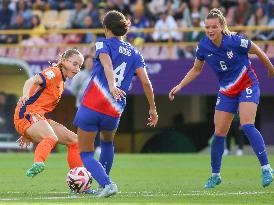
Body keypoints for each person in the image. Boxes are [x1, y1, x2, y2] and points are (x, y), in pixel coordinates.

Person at [169, 8, 274, 189]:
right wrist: (180, 85)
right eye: (207, 27)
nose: (210, 30)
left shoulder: (235, 40)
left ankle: (266, 169)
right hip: (226, 91)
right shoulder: (203, 46)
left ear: (222, 26)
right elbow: (196, 69)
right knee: (219, 133)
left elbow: (257, 50)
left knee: (247, 125)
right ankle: (215, 175)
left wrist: (270, 68)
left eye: (214, 27)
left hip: (247, 85)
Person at [74, 10, 158, 197]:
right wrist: (152, 108)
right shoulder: (136, 53)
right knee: (107, 143)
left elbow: (107, 65)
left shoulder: (102, 43)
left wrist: (111, 85)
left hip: (93, 104)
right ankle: (104, 186)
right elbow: (146, 82)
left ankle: (107, 183)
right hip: (115, 108)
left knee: (86, 153)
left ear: (106, 28)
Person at [14, 49, 84, 178]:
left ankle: (80, 182)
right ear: (64, 61)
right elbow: (31, 81)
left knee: (75, 140)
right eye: (74, 64)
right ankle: (38, 162)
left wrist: (28, 132)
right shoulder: (54, 72)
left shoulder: (62, 82)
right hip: (27, 113)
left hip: (36, 116)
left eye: (80, 66)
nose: (77, 69)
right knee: (51, 137)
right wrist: (25, 95)